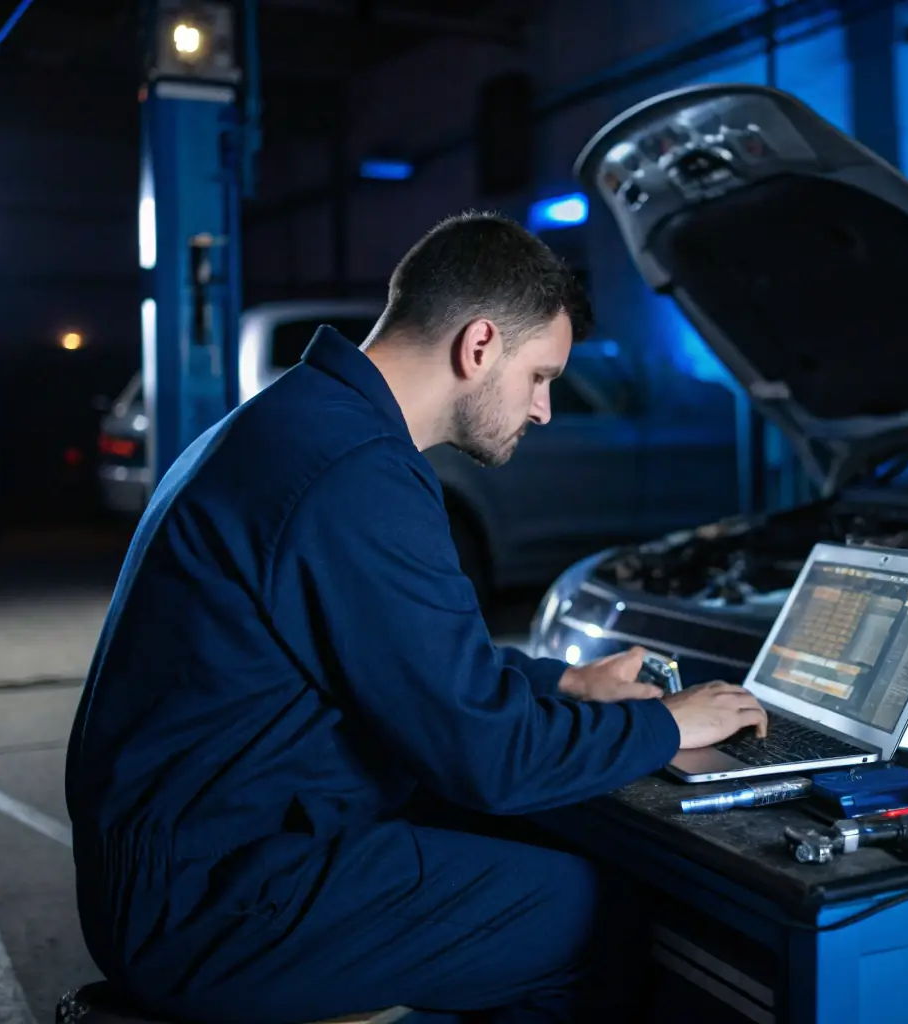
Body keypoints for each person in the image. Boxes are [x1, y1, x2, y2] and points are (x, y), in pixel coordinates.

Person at [65, 211, 767, 1023]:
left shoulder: (299, 422)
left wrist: (566, 680)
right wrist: (666, 728)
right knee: (581, 914)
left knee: (523, 848)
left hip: (198, 859)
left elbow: (406, 657)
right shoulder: (354, 475)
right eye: (539, 376)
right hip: (214, 903)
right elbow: (488, 758)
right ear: (477, 347)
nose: (543, 410)